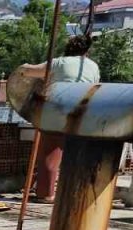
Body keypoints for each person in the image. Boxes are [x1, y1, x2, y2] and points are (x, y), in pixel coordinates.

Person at [19, 34, 101, 203]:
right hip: (84, 112)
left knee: (51, 153)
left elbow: (27, 71)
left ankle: (46, 193)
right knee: (77, 155)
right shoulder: (93, 66)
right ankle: (75, 193)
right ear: (87, 51)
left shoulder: (59, 63)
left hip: (58, 110)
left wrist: (24, 66)